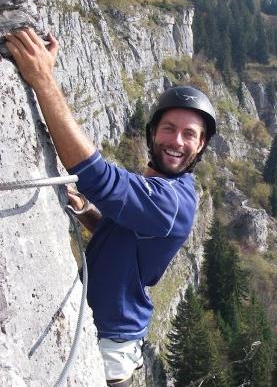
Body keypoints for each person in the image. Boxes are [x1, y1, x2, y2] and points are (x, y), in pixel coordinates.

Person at [5, 28, 216, 387]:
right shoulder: (163, 188)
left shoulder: (171, 202)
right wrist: (86, 210)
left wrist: (42, 79)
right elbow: (124, 232)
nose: (176, 141)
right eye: (169, 128)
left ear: (200, 146)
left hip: (106, 348)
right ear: (152, 132)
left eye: (189, 134)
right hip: (110, 333)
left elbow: (96, 176)